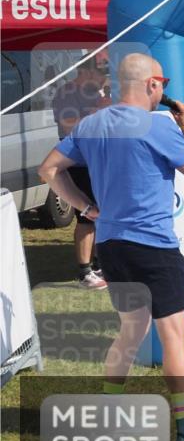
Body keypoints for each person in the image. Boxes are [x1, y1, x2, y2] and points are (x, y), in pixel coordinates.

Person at [38, 52, 184, 441]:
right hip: (153, 245)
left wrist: (86, 209)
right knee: (174, 336)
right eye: (162, 84)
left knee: (131, 331)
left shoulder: (92, 123)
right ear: (152, 84)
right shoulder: (157, 126)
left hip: (112, 246)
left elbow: (49, 169)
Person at [52, 57, 111, 289]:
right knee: (87, 216)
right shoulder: (66, 93)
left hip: (97, 162)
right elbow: (68, 126)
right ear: (85, 72)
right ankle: (85, 272)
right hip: (78, 164)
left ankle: (98, 265)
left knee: (101, 215)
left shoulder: (95, 93)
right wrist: (98, 111)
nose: (103, 78)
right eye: (100, 73)